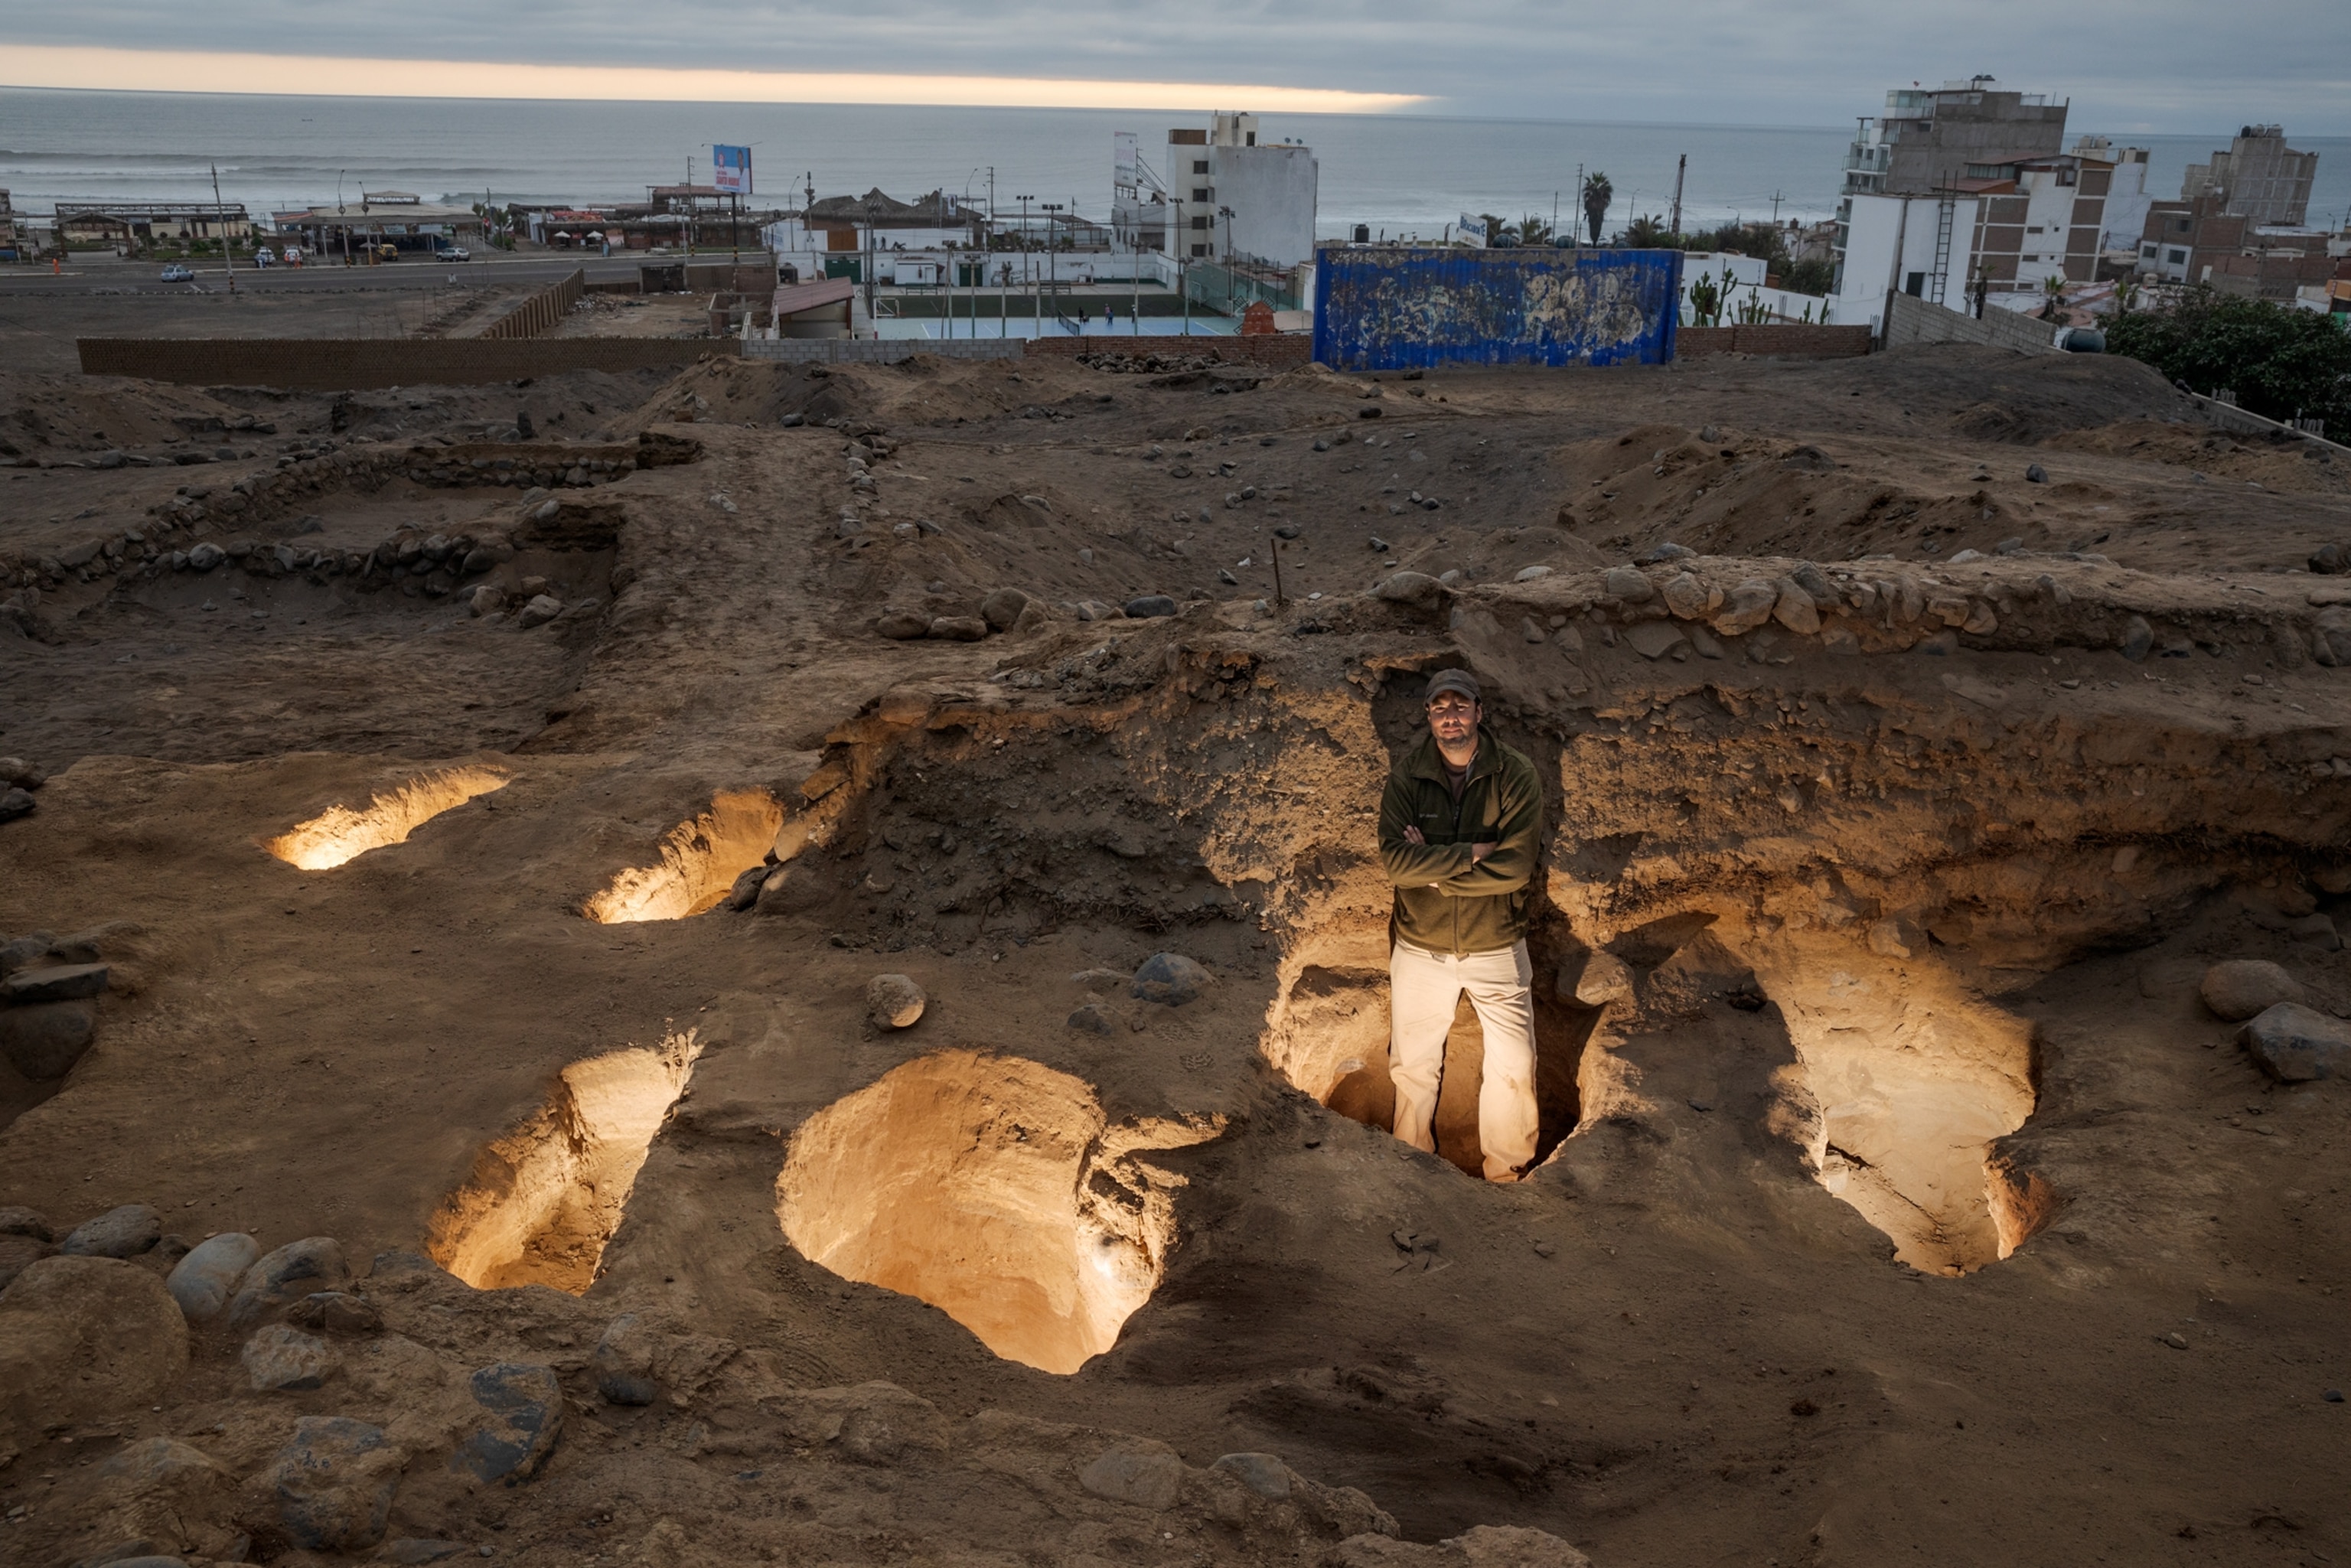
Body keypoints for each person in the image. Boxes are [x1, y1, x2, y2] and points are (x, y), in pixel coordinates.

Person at [1375, 669, 1543, 1182]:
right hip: (1421, 948)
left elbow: (1515, 867)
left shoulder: (1514, 774)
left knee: (1514, 1065)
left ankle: (1506, 1173)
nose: (1451, 716)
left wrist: (1439, 874)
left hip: (1496, 944)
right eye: (1440, 707)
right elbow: (1396, 864)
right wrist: (1470, 855)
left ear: (1479, 711)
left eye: (1460, 705)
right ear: (1429, 716)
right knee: (1412, 1065)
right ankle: (1412, 1168)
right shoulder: (1407, 777)